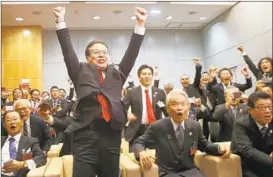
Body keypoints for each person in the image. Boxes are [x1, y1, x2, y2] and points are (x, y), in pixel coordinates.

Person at [53, 6, 148, 177]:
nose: (102, 55)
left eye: (105, 52)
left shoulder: (117, 73)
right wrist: (60, 21)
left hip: (111, 135)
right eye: (96, 52)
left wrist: (140, 24)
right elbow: (67, 50)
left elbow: (131, 54)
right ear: (88, 57)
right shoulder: (79, 70)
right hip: (85, 135)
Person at [134, 89, 230, 177]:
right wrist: (141, 153)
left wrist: (218, 149)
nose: (179, 108)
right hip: (168, 173)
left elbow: (204, 145)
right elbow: (139, 142)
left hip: (191, 172)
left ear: (188, 107)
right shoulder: (157, 126)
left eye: (183, 104)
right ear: (167, 108)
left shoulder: (195, 125)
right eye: (174, 104)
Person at [231, 92, 273, 177]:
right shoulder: (241, 124)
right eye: (261, 108)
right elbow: (247, 150)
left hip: (268, 163)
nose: (268, 111)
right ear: (251, 110)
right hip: (248, 164)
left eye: (270, 107)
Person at [1, 111, 46, 177]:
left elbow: (41, 158)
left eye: (15, 119)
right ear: (4, 125)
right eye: (8, 120)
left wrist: (23, 164)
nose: (12, 122)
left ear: (22, 123)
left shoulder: (30, 141)